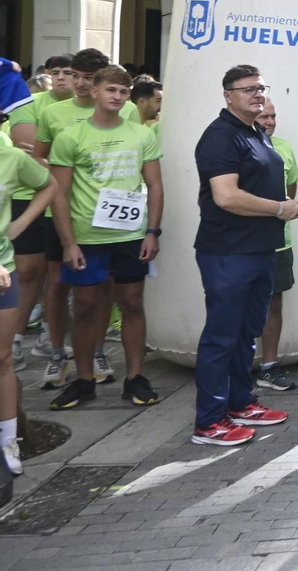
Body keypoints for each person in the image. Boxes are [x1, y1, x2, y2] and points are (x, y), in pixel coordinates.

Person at [46, 67, 163, 410]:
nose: (117, 96)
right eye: (111, 89)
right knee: (84, 306)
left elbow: (155, 186)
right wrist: (69, 243)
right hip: (88, 237)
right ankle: (83, 381)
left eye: (123, 92)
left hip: (130, 235)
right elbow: (59, 195)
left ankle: (135, 378)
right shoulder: (71, 137)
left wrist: (153, 231)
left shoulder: (141, 134)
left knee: (131, 303)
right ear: (94, 91)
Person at [191, 66, 293, 445]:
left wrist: (277, 209)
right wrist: (278, 208)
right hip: (227, 252)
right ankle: (209, 421)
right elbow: (226, 197)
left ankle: (240, 402)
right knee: (222, 336)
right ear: (227, 95)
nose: (257, 94)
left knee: (247, 332)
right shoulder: (220, 137)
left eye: (261, 88)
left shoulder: (256, 132)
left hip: (260, 248)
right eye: (248, 89)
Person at [8, 54, 73, 372]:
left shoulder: (91, 105)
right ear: (48, 74)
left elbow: (43, 153)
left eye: (69, 72)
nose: (62, 78)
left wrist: (51, 154)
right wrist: (65, 157)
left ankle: (52, 336)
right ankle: (15, 340)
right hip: (25, 197)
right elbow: (26, 150)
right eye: (56, 72)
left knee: (59, 277)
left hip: (72, 200)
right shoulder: (30, 101)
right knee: (29, 272)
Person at [0, 127, 56, 472]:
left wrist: (19, 224)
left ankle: (8, 444)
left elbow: (48, 185)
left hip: (5, 272)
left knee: (3, 358)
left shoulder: (12, 157)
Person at [254, 98, 298, 392]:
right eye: (263, 117)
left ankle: (269, 367)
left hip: (280, 243)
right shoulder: (238, 146)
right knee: (244, 304)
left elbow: (292, 189)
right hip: (246, 243)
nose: (269, 122)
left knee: (274, 303)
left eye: (272, 116)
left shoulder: (283, 147)